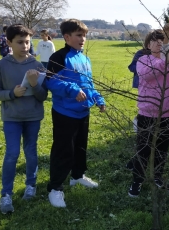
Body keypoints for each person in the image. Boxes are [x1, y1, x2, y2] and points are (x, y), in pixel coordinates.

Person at [45, 19, 106, 208]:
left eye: (84, 35)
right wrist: (71, 89)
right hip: (65, 112)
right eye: (79, 35)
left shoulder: (84, 58)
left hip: (83, 112)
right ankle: (55, 188)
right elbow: (49, 81)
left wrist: (97, 98)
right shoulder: (59, 56)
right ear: (67, 37)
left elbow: (88, 83)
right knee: (64, 150)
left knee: (80, 147)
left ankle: (77, 176)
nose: (83, 39)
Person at [0, 24, 48, 214]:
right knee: (12, 154)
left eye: (27, 42)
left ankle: (31, 185)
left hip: (33, 116)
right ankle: (6, 194)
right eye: (20, 42)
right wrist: (12, 93)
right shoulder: (2, 65)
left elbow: (42, 96)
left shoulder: (37, 65)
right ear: (9, 42)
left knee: (31, 152)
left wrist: (35, 84)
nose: (25, 46)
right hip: (12, 117)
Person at [128, 29, 169, 197]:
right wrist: (165, 63)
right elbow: (147, 75)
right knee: (143, 149)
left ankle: (158, 176)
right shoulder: (144, 59)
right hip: (148, 114)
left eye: (162, 40)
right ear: (148, 44)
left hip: (168, 114)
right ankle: (137, 181)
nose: (159, 42)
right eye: (155, 40)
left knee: (162, 149)